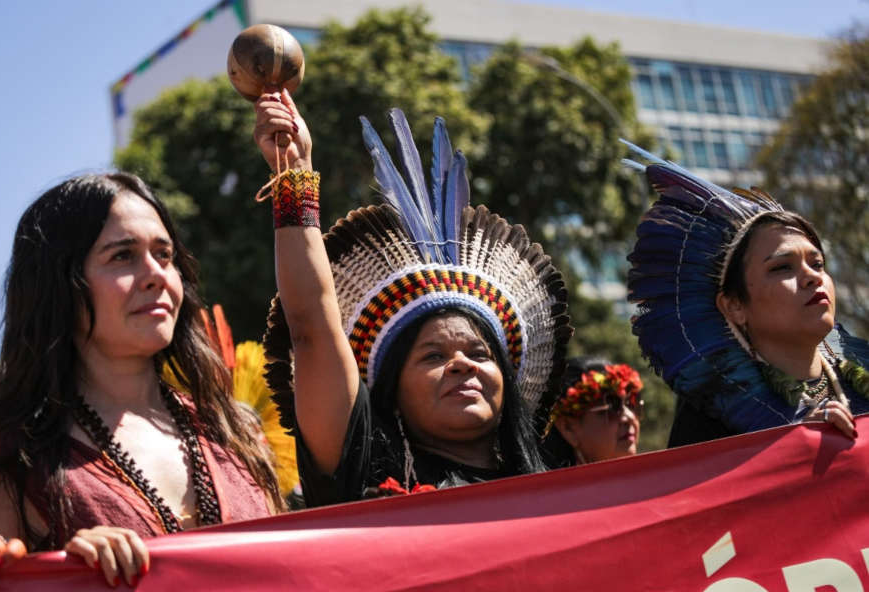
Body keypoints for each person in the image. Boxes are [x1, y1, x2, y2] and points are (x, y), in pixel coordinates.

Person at [0, 173, 285, 591]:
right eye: (122, 256)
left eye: (164, 254)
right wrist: (60, 574)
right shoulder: (5, 455)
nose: (156, 275)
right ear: (59, 283)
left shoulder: (234, 431)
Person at [255, 91, 573, 506]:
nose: (462, 364)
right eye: (433, 357)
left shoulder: (564, 495)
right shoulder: (363, 474)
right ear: (393, 392)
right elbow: (312, 328)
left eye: (479, 353)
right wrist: (294, 172)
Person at [623, 142, 869, 446]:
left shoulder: (860, 380)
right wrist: (790, 448)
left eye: (817, 263)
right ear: (734, 305)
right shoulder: (712, 418)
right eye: (782, 268)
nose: (811, 277)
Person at [539, 358, 644, 468]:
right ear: (568, 428)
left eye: (631, 403)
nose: (629, 417)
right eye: (612, 406)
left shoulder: (654, 480)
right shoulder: (552, 485)